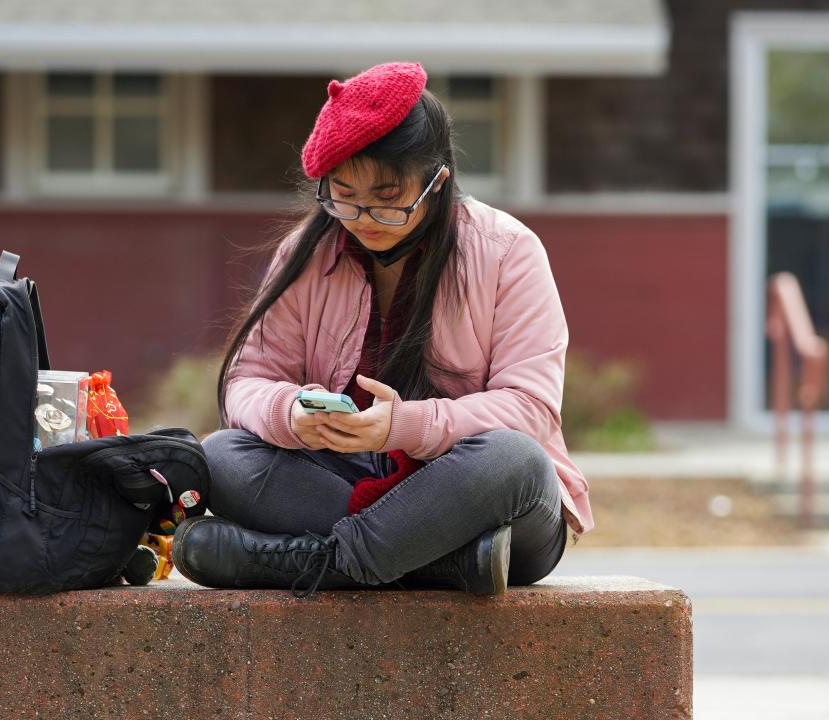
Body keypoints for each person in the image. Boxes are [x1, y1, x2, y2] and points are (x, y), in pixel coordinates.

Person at [172, 61, 594, 598]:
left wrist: (405, 427)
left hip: (473, 498)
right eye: (343, 194)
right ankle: (445, 565)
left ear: (436, 183)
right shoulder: (307, 253)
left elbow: (530, 410)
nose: (363, 216)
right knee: (220, 456)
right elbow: (246, 382)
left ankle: (316, 561)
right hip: (348, 482)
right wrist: (290, 413)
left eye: (389, 198)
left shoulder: (508, 251)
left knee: (516, 462)